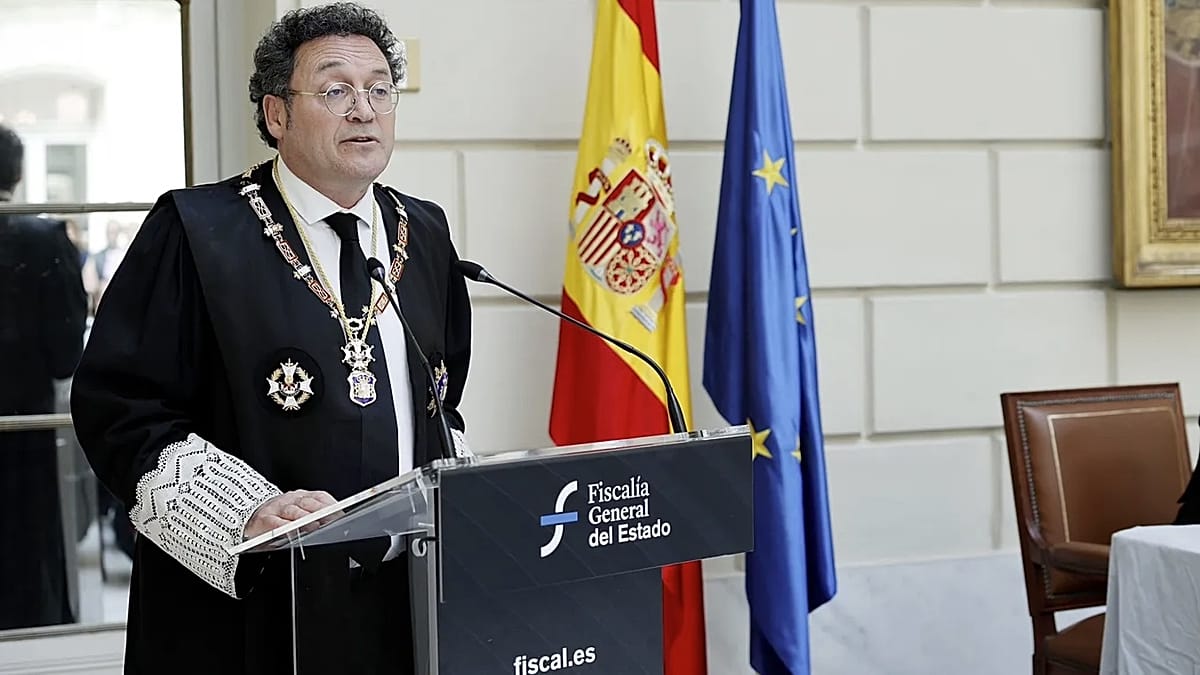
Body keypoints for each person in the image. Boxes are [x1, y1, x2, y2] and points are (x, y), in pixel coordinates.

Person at [69, 3, 472, 673]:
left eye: (380, 90)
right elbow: (121, 411)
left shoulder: (423, 232)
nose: (364, 110)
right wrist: (244, 512)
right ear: (276, 114)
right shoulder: (195, 231)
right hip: (247, 611)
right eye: (336, 90)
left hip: (404, 602)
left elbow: (443, 399)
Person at [0, 123, 88, 629]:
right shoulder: (43, 240)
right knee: (29, 559)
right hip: (25, 426)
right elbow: (65, 355)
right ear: (16, 175)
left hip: (26, 423)